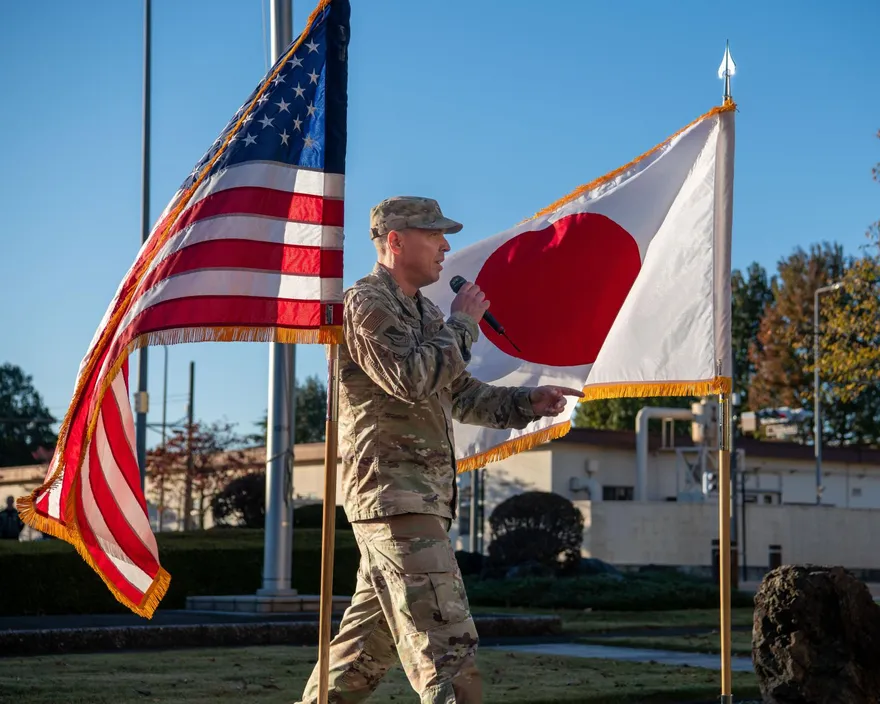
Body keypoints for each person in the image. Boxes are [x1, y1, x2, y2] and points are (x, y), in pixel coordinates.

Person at [295, 196, 582, 703]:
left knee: (361, 655)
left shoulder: (425, 312)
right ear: (396, 241)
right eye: (434, 234)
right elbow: (410, 378)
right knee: (447, 647)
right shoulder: (365, 303)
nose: (445, 245)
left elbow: (460, 394)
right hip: (394, 498)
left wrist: (528, 402)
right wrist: (464, 323)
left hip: (416, 500)